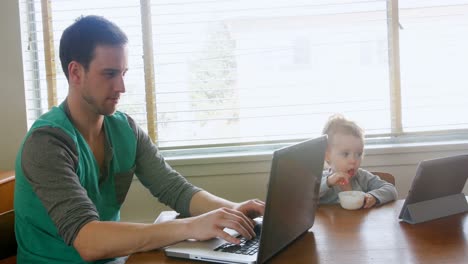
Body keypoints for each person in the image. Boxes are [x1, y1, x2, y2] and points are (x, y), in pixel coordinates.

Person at [14, 15, 264, 264]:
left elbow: (175, 190)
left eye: (123, 73)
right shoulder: (46, 143)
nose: (121, 86)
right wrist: (191, 227)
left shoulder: (125, 129)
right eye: (110, 74)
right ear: (76, 72)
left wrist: (234, 210)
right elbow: (88, 240)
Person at [319, 114, 397, 208]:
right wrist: (328, 182)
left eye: (358, 154)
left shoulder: (363, 177)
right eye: (345, 154)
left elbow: (391, 190)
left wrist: (373, 196)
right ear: (327, 156)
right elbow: (304, 197)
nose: (353, 160)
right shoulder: (322, 180)